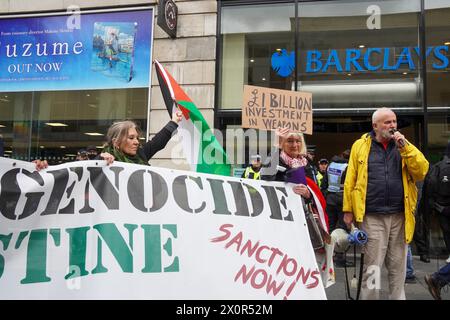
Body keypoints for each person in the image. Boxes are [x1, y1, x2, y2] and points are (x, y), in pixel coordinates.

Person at [343, 107, 429, 300]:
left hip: (400, 215)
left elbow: (422, 171)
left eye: (394, 122)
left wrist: (405, 147)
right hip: (372, 216)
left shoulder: (404, 146)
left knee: (398, 267)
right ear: (375, 126)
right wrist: (348, 210)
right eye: (387, 122)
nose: (392, 126)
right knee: (372, 266)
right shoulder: (360, 145)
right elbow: (351, 179)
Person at [262, 128, 335, 288]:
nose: (294, 144)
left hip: (304, 221)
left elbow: (317, 191)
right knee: (282, 260)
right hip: (280, 220)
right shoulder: (277, 159)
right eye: (289, 141)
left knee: (305, 260)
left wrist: (309, 193)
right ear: (282, 143)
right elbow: (265, 177)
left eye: (297, 141)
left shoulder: (306, 163)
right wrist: (276, 147)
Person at [98, 110, 183, 165]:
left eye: (137, 138)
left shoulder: (141, 154)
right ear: (116, 142)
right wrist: (100, 160)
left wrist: (174, 121)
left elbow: (158, 142)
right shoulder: (105, 160)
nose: (137, 142)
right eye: (131, 138)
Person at [321, 149, 353, 268]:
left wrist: (327, 195)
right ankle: (340, 257)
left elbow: (324, 184)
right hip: (342, 200)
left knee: (330, 227)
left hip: (330, 199)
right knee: (343, 229)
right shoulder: (348, 166)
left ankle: (329, 255)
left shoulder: (330, 165)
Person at [422, 141, 450, 262]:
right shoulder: (439, 167)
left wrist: (433, 205)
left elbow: (430, 186)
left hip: (442, 207)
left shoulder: (437, 167)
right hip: (443, 207)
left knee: (447, 233)